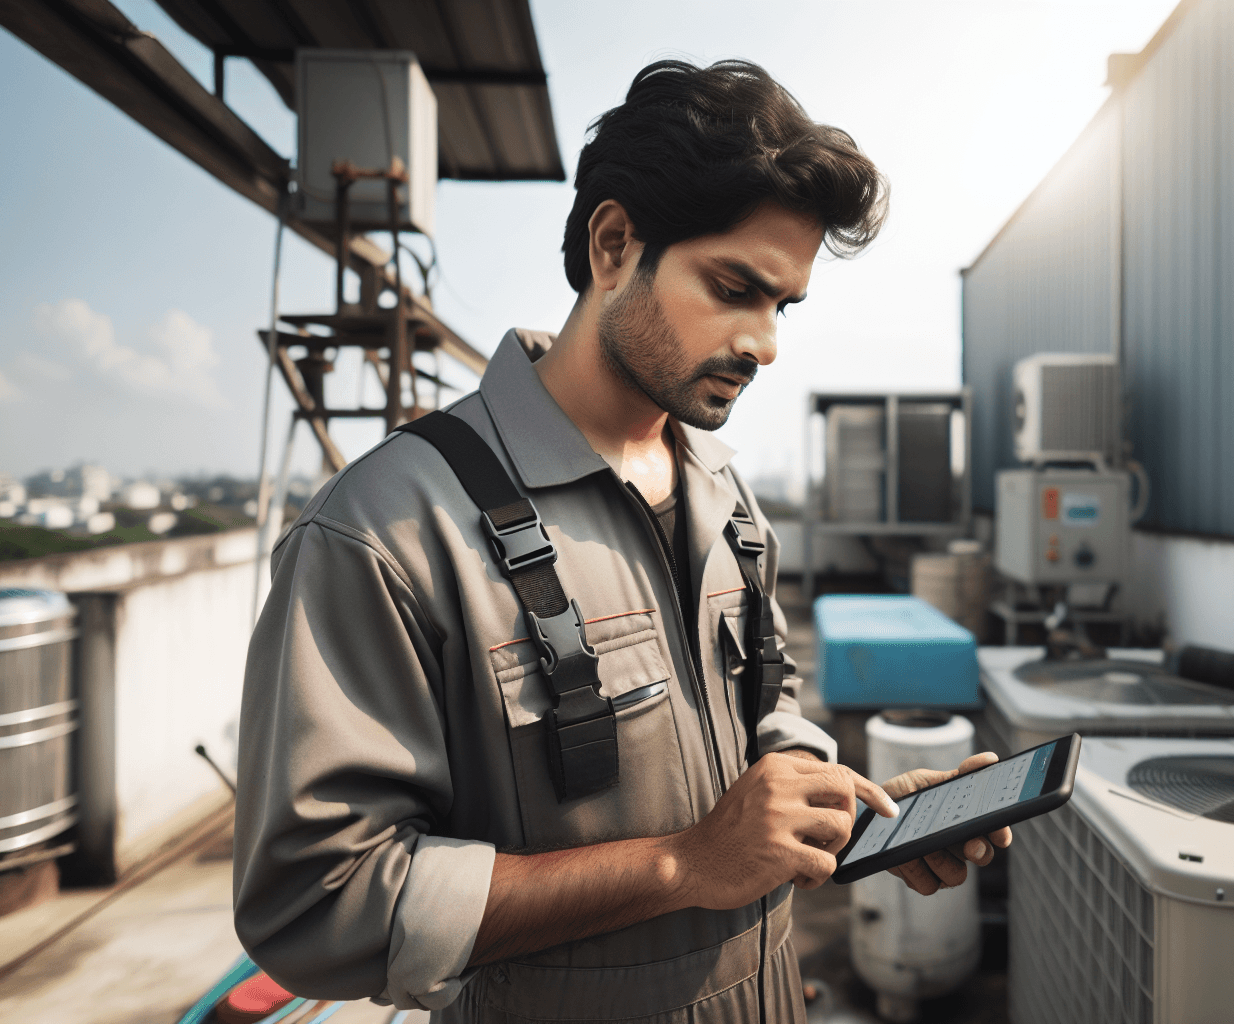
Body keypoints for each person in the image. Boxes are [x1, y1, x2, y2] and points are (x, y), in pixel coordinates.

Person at [233, 59, 1010, 1024]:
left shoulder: (726, 500)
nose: (765, 343)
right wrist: (683, 865)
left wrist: (846, 814)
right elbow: (316, 902)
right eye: (735, 287)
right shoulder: (390, 530)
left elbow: (764, 719)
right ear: (614, 243)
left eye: (783, 306)